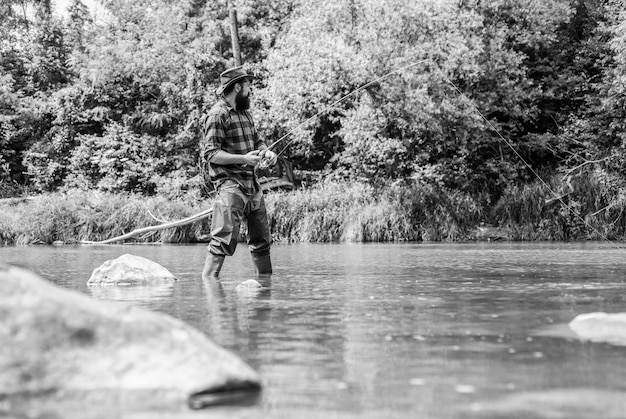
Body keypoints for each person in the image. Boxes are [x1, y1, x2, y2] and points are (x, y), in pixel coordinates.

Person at [200, 66, 277, 279]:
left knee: (262, 242)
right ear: (237, 87)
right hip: (230, 186)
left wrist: (266, 152)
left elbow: (257, 140)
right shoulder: (217, 115)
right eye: (248, 85)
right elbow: (211, 154)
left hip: (253, 185)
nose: (250, 89)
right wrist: (243, 159)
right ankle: (209, 291)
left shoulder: (245, 114)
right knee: (222, 241)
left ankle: (264, 291)